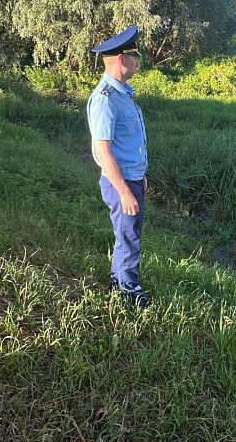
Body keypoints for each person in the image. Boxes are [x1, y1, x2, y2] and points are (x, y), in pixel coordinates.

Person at [87, 26, 150, 307]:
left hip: (131, 177)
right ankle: (129, 292)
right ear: (123, 60)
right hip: (120, 182)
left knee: (126, 235)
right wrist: (124, 190)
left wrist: (140, 175)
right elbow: (103, 149)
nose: (138, 61)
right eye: (135, 56)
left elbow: (127, 143)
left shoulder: (123, 93)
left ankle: (117, 283)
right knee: (129, 238)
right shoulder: (105, 99)